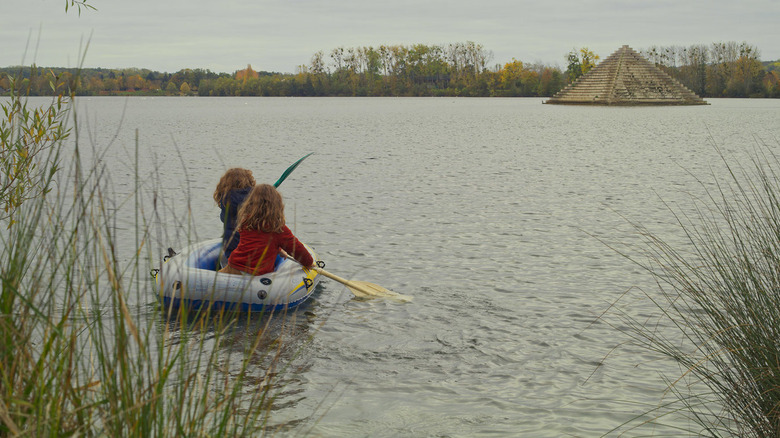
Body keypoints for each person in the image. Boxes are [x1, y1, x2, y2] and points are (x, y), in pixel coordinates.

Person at [219, 184, 314, 276]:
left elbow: (257, 242)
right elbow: (297, 249)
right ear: (277, 206)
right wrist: (309, 263)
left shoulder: (245, 222)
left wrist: (279, 249)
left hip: (234, 266)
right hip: (255, 273)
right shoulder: (278, 228)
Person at [213, 168, 256, 266]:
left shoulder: (226, 199)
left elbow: (223, 218)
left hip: (233, 251)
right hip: (255, 252)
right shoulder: (255, 199)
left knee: (219, 260)